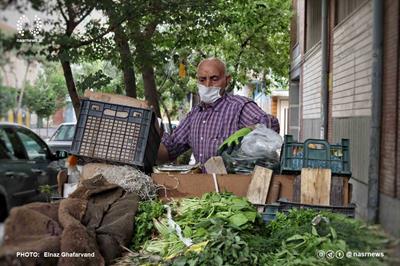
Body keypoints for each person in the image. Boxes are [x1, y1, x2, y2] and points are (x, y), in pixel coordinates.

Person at [157, 57, 279, 166]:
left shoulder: (239, 107)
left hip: (234, 186)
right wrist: (149, 135)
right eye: (202, 80)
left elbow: (271, 124)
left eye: (214, 79)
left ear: (227, 80)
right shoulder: (194, 115)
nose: (208, 84)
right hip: (204, 185)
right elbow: (168, 151)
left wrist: (251, 129)